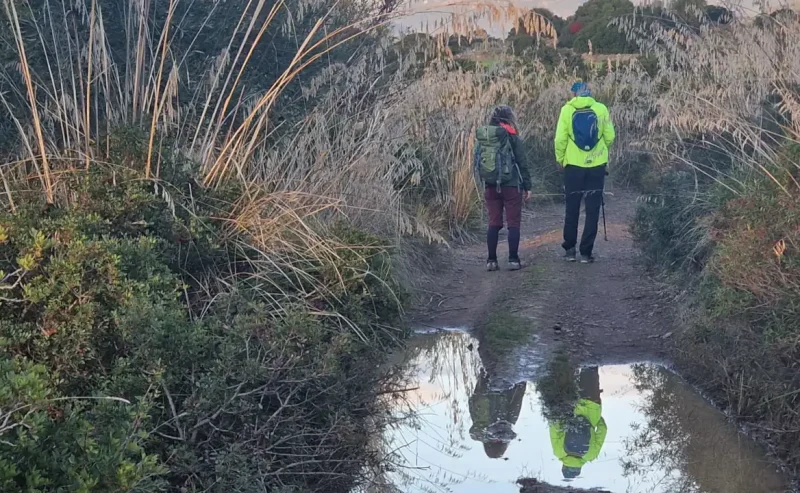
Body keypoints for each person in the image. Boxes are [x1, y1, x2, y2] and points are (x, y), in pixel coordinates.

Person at [554, 82, 616, 264]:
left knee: (571, 207)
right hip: (596, 166)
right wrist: (601, 152)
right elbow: (610, 136)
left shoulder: (567, 110)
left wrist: (561, 159)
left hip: (573, 166)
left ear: (574, 94)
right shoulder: (601, 109)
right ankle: (586, 253)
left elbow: (560, 138)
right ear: (590, 93)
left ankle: (570, 250)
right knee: (592, 209)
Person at [474, 105, 532, 272]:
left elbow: (478, 160)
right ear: (509, 118)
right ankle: (513, 260)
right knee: (513, 223)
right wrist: (528, 186)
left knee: (493, 222)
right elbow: (522, 163)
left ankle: (491, 261)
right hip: (511, 185)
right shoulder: (512, 137)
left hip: (490, 185)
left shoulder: (485, 137)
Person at [548, 366, 607, 480]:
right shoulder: (558, 452)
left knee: (590, 367)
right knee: (567, 369)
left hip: (592, 405)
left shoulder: (591, 455)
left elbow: (603, 429)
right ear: (563, 467)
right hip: (570, 405)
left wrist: (596, 418)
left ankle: (593, 349)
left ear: (579, 468)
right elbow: (555, 426)